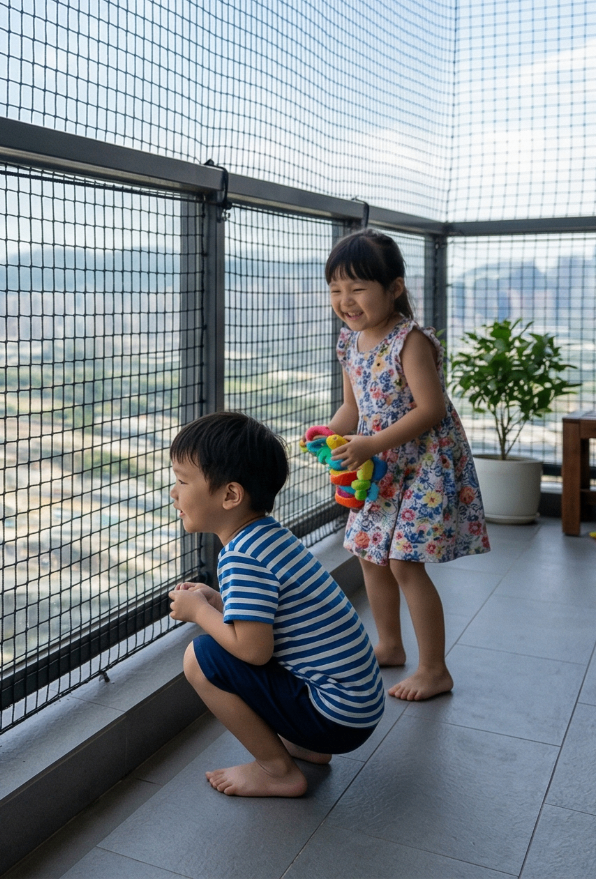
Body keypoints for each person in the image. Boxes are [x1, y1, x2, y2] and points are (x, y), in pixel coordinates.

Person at [167, 412, 384, 798]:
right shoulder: (268, 537)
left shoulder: (241, 556)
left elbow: (253, 649)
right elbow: (272, 614)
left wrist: (200, 613)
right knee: (218, 649)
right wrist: (216, 600)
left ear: (230, 495)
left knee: (200, 657)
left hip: (337, 717)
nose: (174, 492)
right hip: (356, 707)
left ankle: (276, 770)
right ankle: (309, 746)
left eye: (182, 481)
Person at [323, 228, 488, 702]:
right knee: (369, 556)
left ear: (394, 287)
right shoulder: (348, 342)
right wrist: (329, 436)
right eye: (336, 289)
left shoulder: (410, 340)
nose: (345, 300)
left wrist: (370, 443)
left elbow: (430, 409)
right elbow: (351, 410)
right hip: (380, 469)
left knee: (403, 562)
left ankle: (435, 669)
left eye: (357, 288)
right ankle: (390, 645)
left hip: (424, 466)